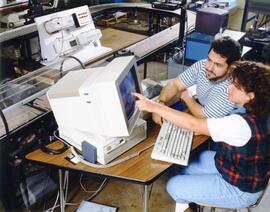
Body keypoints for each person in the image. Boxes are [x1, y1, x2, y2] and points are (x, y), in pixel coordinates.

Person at [133, 61, 270, 212]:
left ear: (251, 96)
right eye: (232, 82)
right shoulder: (257, 110)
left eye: (236, 87)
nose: (229, 88)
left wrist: (154, 107)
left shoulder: (240, 124)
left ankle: (187, 205)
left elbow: (193, 124)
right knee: (183, 162)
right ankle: (190, 203)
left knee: (174, 185)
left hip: (240, 189)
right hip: (233, 167)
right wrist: (206, 129)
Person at [154, 36, 241, 125]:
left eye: (218, 65)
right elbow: (175, 84)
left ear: (231, 68)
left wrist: (188, 98)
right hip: (202, 110)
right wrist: (160, 103)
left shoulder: (233, 88)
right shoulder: (202, 66)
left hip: (221, 128)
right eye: (209, 60)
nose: (210, 68)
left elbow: (206, 118)